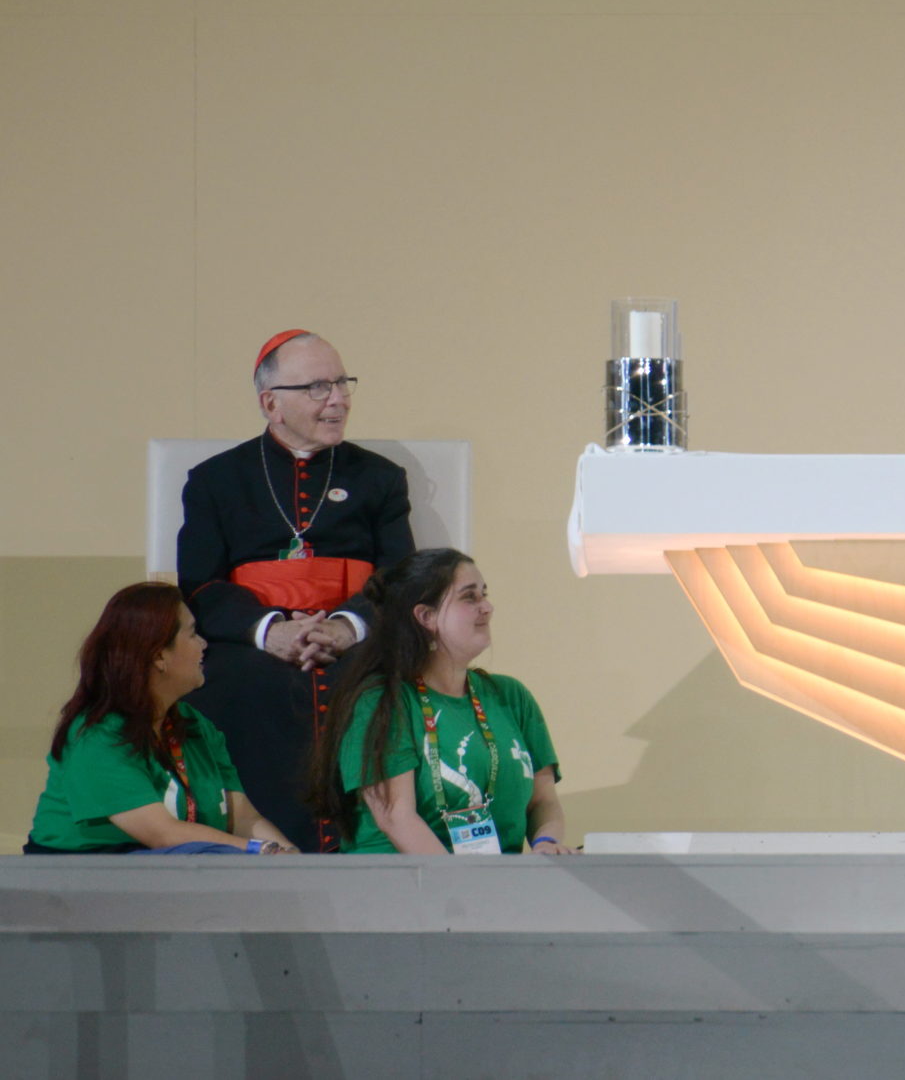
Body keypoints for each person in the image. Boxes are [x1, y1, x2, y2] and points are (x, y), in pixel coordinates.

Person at [179, 329, 415, 850]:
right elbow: (200, 584)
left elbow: (399, 576)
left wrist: (346, 626)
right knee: (235, 687)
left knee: (379, 689)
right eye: (317, 387)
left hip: (357, 639)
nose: (338, 399)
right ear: (271, 404)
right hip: (250, 646)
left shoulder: (379, 478)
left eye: (342, 383)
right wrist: (270, 631)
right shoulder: (216, 480)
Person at [316, 549, 571, 856]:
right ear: (426, 616)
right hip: (401, 879)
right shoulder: (381, 702)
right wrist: (461, 882)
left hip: (493, 879)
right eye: (469, 597)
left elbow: (544, 801)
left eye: (484, 594)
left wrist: (546, 844)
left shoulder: (511, 696)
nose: (487, 607)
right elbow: (396, 818)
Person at [27, 583, 300, 855]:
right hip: (84, 874)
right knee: (218, 859)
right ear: (159, 655)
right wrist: (263, 853)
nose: (203, 644)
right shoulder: (97, 733)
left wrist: (292, 860)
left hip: (166, 867)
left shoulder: (196, 725)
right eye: (193, 634)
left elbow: (244, 820)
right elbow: (163, 834)